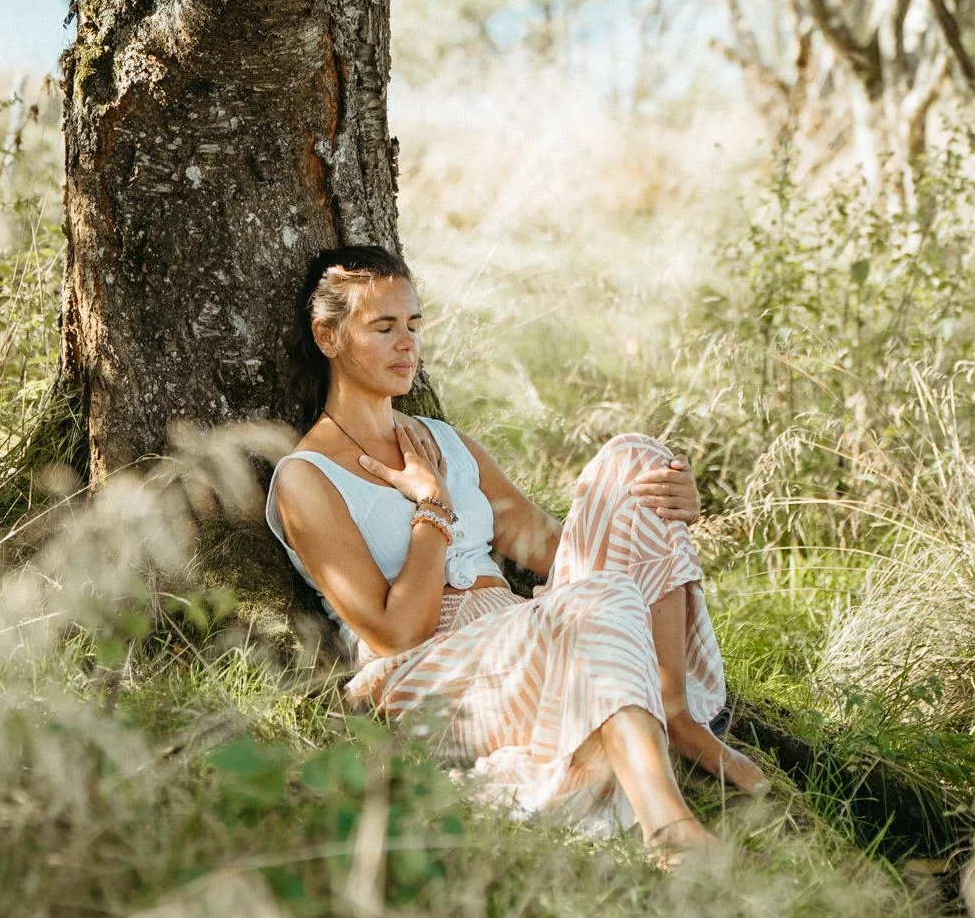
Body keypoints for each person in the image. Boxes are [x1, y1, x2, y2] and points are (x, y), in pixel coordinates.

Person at [264, 245, 767, 855]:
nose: (407, 345)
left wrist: (665, 505)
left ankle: (676, 712)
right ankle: (669, 829)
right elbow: (399, 633)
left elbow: (557, 550)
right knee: (599, 595)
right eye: (384, 327)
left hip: (515, 630)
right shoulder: (308, 478)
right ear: (328, 336)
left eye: (414, 326)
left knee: (635, 459)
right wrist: (433, 509)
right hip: (425, 674)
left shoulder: (447, 443)